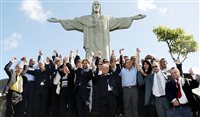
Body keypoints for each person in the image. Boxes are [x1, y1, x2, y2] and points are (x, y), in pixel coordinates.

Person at [47, 0, 146, 60]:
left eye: (98, 4)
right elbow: (74, 22)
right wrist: (60, 20)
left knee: (104, 61)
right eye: (94, 4)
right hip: (91, 46)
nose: (96, 6)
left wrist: (132, 18)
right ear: (92, 6)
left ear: (100, 7)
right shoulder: (85, 19)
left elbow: (119, 21)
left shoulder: (106, 19)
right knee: (91, 61)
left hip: (103, 46)